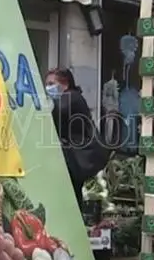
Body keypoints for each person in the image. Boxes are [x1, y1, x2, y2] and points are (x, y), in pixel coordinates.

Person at [45, 68, 108, 210]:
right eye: (46, 84)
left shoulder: (72, 97)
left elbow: (55, 111)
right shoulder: (67, 98)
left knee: (72, 194)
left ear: (65, 84)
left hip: (80, 156)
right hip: (75, 156)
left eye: (51, 84)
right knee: (72, 194)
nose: (48, 88)